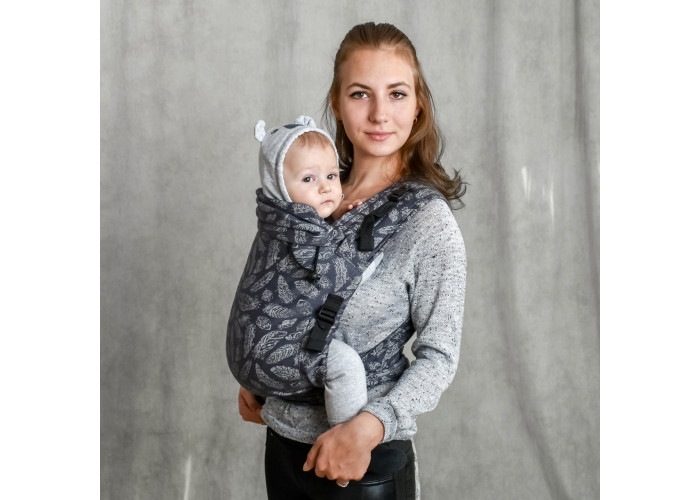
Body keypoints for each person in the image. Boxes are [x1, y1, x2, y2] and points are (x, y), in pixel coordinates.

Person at [238, 22, 467, 500]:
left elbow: (439, 358)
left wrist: (367, 428)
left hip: (362, 467)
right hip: (282, 443)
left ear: (418, 105)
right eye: (361, 94)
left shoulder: (427, 222)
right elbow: (277, 292)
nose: (380, 113)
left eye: (397, 94)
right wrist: (261, 370)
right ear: (338, 104)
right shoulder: (308, 193)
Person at [228, 115, 372, 427]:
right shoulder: (297, 232)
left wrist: (333, 213)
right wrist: (366, 257)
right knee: (345, 365)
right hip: (271, 354)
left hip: (247, 349)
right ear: (278, 185)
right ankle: (345, 437)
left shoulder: (276, 219)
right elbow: (333, 274)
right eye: (308, 179)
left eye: (332, 175)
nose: (326, 187)